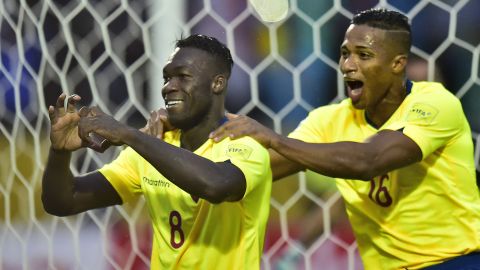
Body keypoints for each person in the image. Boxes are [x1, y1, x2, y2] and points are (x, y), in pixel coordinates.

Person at [207, 8, 480, 269]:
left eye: (363, 55)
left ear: (397, 64)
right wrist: (178, 144)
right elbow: (245, 172)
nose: (348, 65)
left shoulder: (436, 103)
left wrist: (275, 139)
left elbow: (367, 161)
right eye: (345, 53)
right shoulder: (330, 120)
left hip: (458, 262)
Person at [41, 34, 272, 270]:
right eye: (167, 77)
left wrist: (128, 134)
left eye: (183, 76)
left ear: (217, 83)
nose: (169, 87)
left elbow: (216, 185)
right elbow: (63, 202)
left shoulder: (247, 147)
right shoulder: (151, 147)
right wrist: (59, 152)